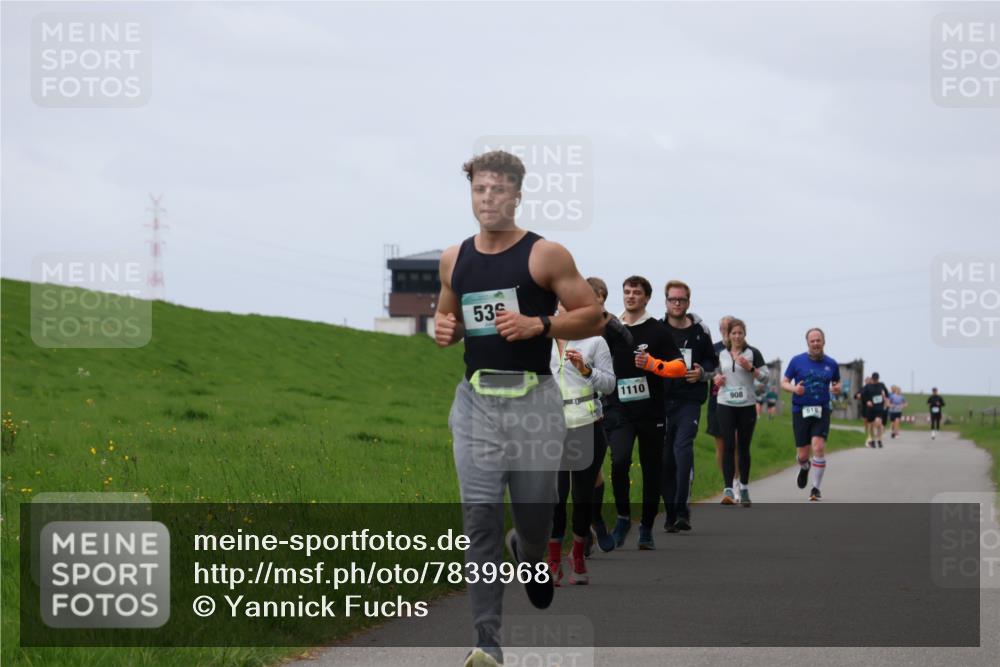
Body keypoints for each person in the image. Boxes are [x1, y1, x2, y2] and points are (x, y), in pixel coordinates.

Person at [435, 150, 603, 667]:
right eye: (480, 189)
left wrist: (541, 325)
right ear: (471, 193)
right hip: (476, 403)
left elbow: (593, 315)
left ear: (517, 195)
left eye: (499, 189)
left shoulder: (544, 255)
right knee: (479, 517)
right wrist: (443, 329)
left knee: (534, 516)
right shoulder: (454, 259)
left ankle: (528, 553)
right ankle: (486, 642)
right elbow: (449, 320)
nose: (488, 198)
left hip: (534, 402)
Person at [604, 276, 685, 551]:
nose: (631, 296)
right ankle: (623, 518)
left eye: (636, 292)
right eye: (627, 291)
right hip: (619, 409)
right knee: (619, 462)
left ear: (647, 298)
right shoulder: (611, 328)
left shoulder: (657, 330)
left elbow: (680, 367)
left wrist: (654, 365)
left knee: (652, 470)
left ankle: (647, 527)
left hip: (651, 411)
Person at [547, 302, 615, 586]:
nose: (562, 308)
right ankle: (553, 562)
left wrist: (586, 371)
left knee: (581, 496)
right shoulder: (543, 340)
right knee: (555, 496)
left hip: (586, 425)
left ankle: (577, 555)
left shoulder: (595, 341)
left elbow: (609, 384)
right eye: (559, 303)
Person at [660, 280, 718, 531]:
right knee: (665, 459)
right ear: (666, 302)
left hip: (689, 401)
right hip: (662, 401)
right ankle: (670, 513)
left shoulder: (700, 331)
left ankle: (682, 510)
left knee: (682, 449)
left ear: (688, 302)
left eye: (681, 300)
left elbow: (713, 363)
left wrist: (702, 373)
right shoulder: (658, 330)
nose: (677, 303)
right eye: (673, 299)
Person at [585, 277, 631, 556]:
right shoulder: (568, 324)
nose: (595, 302)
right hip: (568, 404)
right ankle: (585, 528)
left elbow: (628, 343)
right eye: (591, 296)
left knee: (593, 470)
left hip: (605, 404)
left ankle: (595, 522)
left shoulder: (610, 325)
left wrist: (608, 320)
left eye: (600, 298)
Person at [781, 327, 842, 501]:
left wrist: (837, 388)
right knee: (802, 455)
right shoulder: (797, 361)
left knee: (819, 446)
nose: (815, 343)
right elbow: (784, 382)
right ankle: (804, 467)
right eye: (812, 341)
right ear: (807, 343)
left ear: (824, 342)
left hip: (822, 409)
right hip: (800, 410)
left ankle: (815, 489)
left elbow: (837, 383)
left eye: (818, 340)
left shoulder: (831, 363)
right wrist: (795, 389)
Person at [713, 318, 769, 507]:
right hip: (725, 404)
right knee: (728, 446)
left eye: (740, 333)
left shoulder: (753, 353)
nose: (737, 336)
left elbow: (765, 377)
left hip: (746, 405)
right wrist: (716, 379)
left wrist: (751, 368)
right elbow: (714, 374)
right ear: (728, 335)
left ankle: (744, 488)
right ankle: (728, 488)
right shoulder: (721, 354)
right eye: (734, 333)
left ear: (745, 334)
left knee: (743, 447)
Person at [706, 316, 737, 493]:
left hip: (739, 402)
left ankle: (738, 481)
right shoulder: (713, 349)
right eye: (723, 328)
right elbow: (706, 370)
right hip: (716, 400)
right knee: (722, 446)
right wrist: (714, 375)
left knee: (736, 444)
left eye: (730, 328)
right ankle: (728, 483)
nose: (726, 331)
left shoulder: (744, 350)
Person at [862, 372, 890, 448]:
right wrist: (867, 401)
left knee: (878, 423)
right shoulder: (868, 386)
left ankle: (879, 440)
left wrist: (886, 399)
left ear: (878, 379)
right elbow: (863, 395)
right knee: (871, 425)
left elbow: (887, 394)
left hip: (879, 407)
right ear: (872, 379)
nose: (875, 381)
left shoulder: (881, 385)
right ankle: (873, 440)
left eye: (876, 379)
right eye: (874, 379)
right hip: (871, 408)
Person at [855, 376, 873, 446]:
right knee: (866, 420)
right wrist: (858, 396)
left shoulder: (873, 388)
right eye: (866, 380)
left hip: (872, 407)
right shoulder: (863, 388)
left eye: (869, 380)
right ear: (865, 381)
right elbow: (855, 396)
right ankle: (866, 431)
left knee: (871, 421)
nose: (868, 382)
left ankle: (870, 433)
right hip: (865, 406)